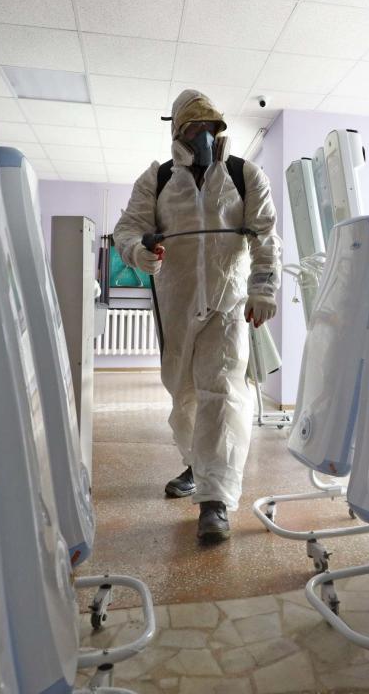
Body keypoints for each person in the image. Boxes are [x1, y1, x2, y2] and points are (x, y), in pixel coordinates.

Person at [114, 89, 281, 543]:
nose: (204, 136)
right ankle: (196, 465)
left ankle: (215, 501)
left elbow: (265, 233)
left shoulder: (245, 175)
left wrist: (263, 287)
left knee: (222, 394)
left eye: (211, 128)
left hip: (227, 307)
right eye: (194, 129)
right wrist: (139, 252)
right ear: (178, 133)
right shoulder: (159, 178)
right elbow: (128, 228)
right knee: (184, 393)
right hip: (177, 303)